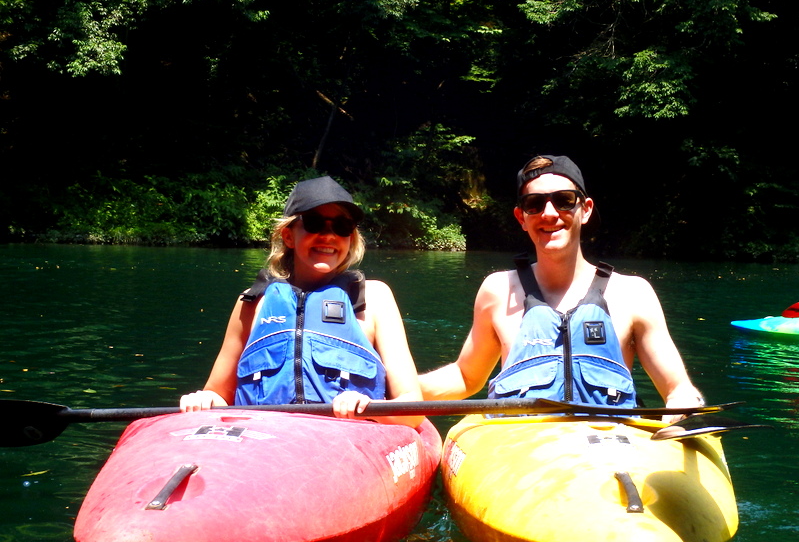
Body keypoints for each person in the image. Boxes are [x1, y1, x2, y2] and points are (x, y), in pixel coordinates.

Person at [418, 155, 704, 418]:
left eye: (564, 200)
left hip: (609, 447)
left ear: (586, 209)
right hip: (523, 449)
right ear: (522, 217)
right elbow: (466, 377)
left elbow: (677, 387)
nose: (550, 213)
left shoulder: (633, 294)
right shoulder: (497, 290)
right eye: (535, 204)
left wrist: (683, 405)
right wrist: (395, 388)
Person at [181, 176, 423, 428]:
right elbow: (219, 395)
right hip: (262, 440)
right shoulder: (253, 302)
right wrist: (204, 399)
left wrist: (368, 407)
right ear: (288, 236)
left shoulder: (375, 298)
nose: (328, 237)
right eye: (315, 223)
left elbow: (413, 409)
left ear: (350, 237)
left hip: (345, 442)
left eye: (342, 227)